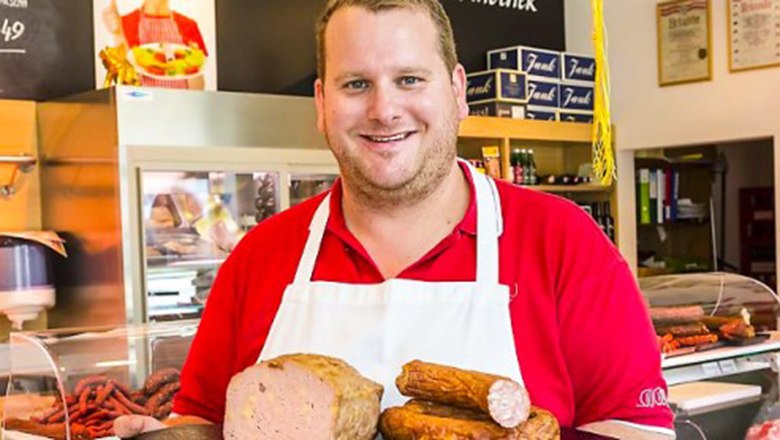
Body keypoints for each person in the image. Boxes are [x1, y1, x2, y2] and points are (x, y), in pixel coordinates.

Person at [115, 0, 675, 438]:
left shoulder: (563, 243)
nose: (384, 109)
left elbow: (635, 429)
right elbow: (206, 423)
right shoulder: (260, 257)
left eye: (410, 79)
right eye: (356, 84)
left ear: (457, 92)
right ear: (321, 103)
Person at [102, 0, 208, 89]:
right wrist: (118, 34)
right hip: (141, 109)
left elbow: (198, 88)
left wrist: (192, 63)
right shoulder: (124, 23)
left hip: (181, 107)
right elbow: (125, 83)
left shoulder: (188, 25)